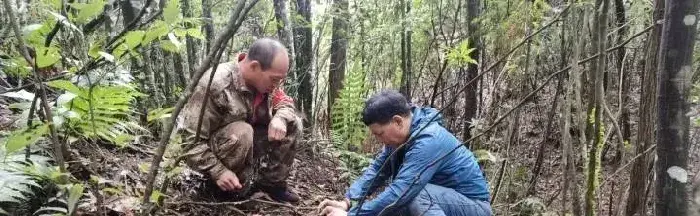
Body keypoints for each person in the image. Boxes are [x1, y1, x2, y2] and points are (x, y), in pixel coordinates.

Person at [318, 90, 491, 216]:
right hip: (445, 202)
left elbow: (401, 192)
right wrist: (348, 202)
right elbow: (378, 170)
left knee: (415, 196)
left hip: (474, 207)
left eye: (379, 133)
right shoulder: (404, 137)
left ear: (398, 121)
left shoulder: (429, 140)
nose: (379, 140)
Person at [178, 38, 302, 203]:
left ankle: (270, 184)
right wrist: (218, 171)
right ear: (254, 67)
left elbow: (285, 103)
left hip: (246, 146)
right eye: (274, 79)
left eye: (280, 80)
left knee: (292, 122)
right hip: (218, 152)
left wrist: (280, 118)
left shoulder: (267, 83)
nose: (277, 84)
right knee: (243, 132)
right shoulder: (215, 84)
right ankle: (222, 191)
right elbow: (189, 142)